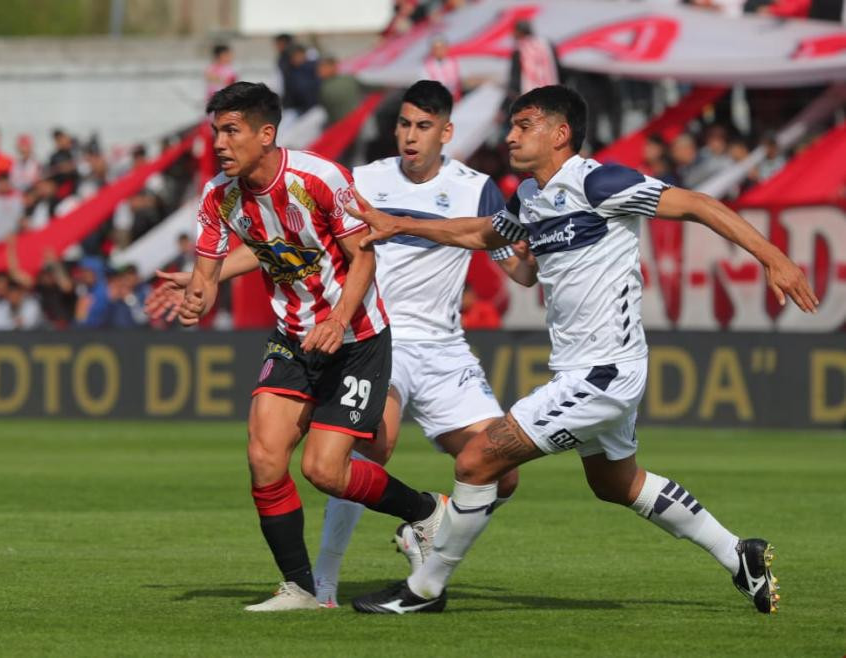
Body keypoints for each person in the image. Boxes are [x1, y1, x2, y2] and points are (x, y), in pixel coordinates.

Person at [346, 85, 816, 615]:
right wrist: (402, 224)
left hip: (602, 373)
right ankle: (739, 555)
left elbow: (699, 204)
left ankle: (424, 588)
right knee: (617, 483)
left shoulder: (599, 181)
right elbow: (485, 233)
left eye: (525, 125)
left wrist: (774, 257)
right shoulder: (528, 196)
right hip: (592, 369)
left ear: (559, 132)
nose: (511, 136)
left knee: (480, 459)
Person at [148, 81, 538, 608]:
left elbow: (501, 262)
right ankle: (310, 586)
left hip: (384, 338)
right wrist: (198, 292)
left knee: (482, 472)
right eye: (403, 123)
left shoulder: (454, 185)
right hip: (306, 335)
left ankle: (424, 514)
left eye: (422, 126)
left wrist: (543, 259)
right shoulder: (341, 181)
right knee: (273, 456)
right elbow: (262, 252)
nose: (409, 135)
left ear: (446, 132)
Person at [422, 37, 461, 102]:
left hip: (455, 98)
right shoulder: (426, 67)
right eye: (437, 49)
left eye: (442, 48)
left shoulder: (453, 62)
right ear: (432, 50)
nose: (440, 51)